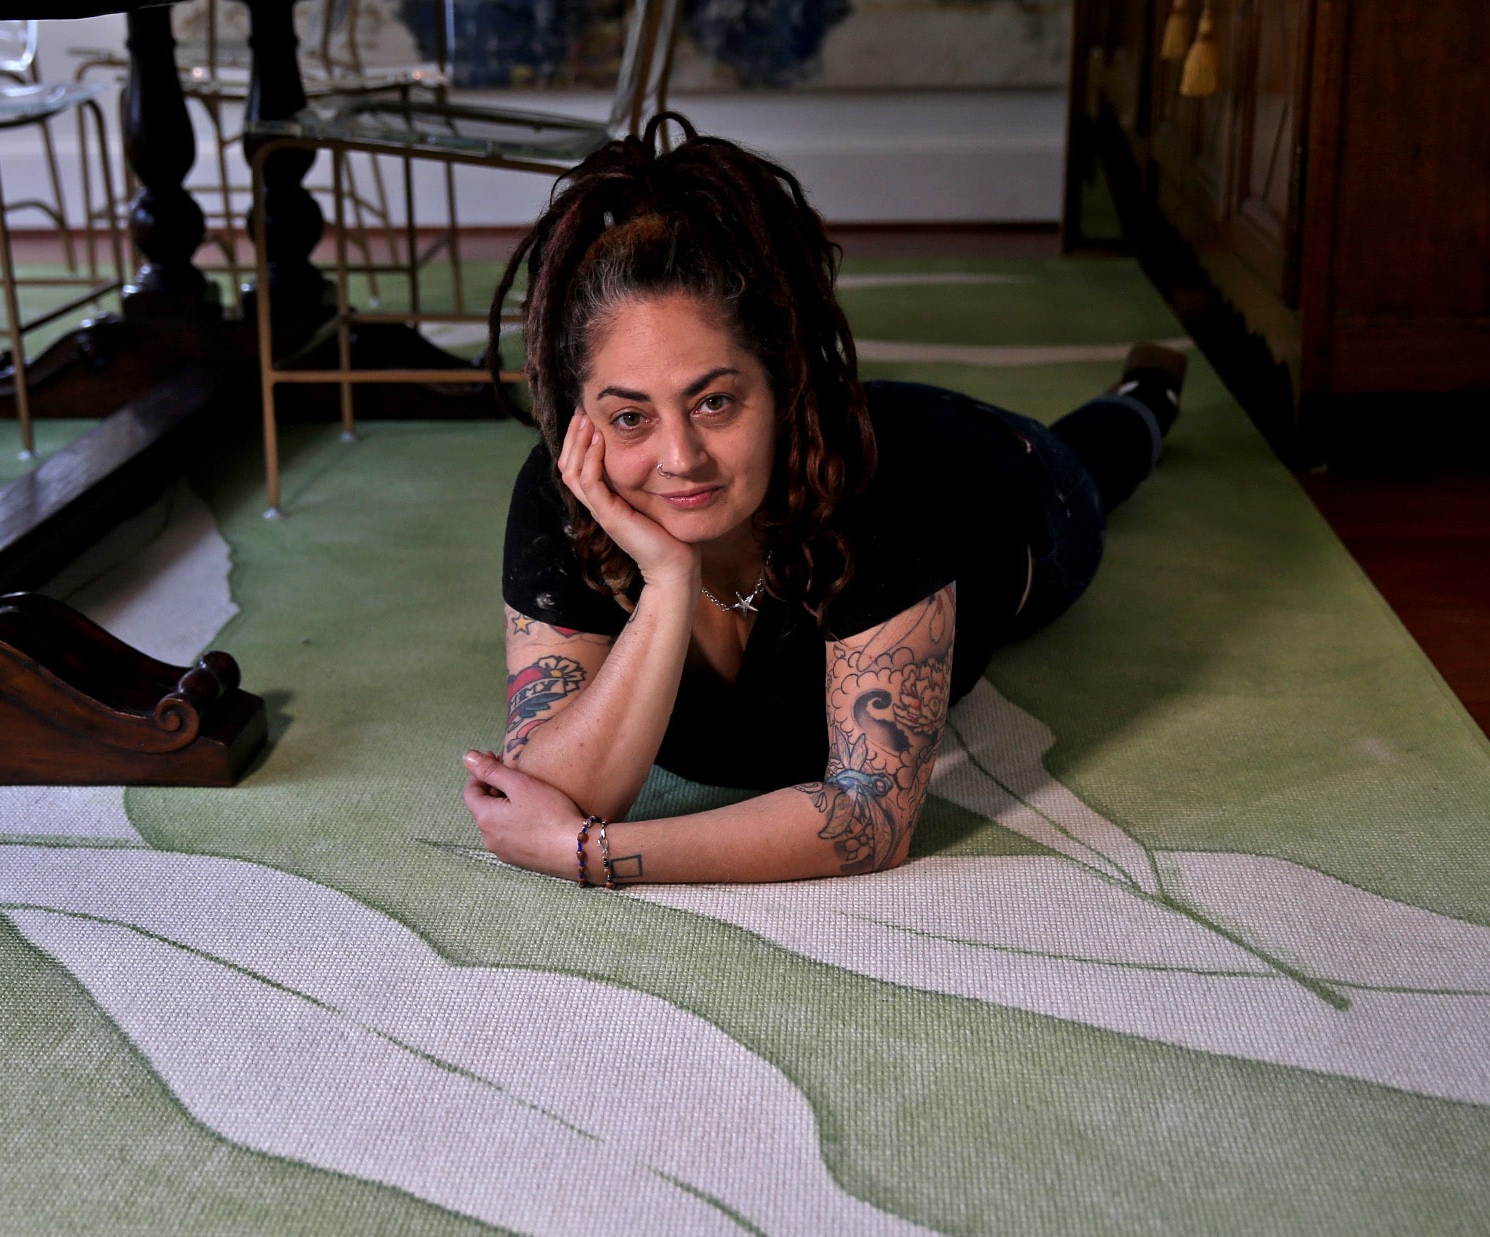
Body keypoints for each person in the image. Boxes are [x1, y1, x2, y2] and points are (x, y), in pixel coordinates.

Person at [461, 115, 1185, 887]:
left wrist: (594, 855)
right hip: (848, 429)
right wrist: (669, 581)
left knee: (1101, 456)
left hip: (1007, 480)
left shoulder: (885, 492)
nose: (679, 459)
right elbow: (556, 788)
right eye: (632, 416)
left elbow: (870, 820)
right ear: (585, 420)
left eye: (714, 403)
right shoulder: (567, 492)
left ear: (780, 385)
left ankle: (1147, 393)